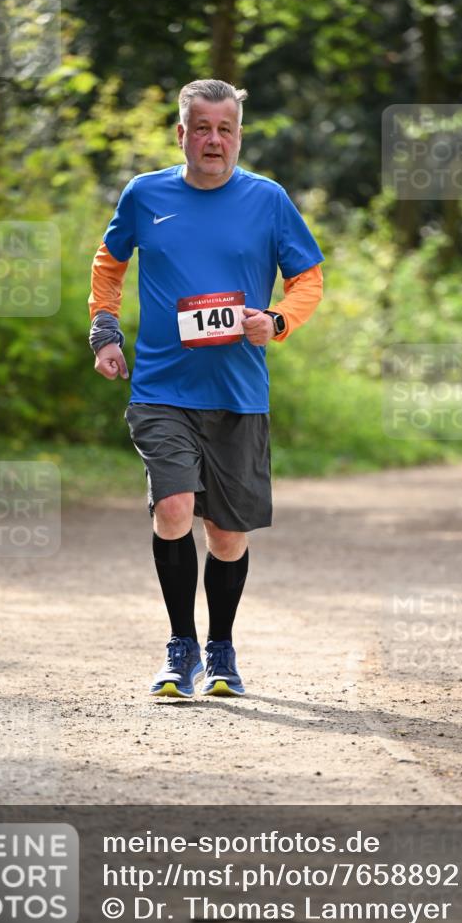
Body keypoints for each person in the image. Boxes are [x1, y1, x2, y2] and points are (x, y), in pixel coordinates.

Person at [88, 78, 324, 699]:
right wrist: (104, 330)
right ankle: (180, 647)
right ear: (181, 134)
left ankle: (220, 648)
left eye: (225, 129)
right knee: (173, 510)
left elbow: (308, 279)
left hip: (238, 392)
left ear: (238, 136)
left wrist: (276, 321)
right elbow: (109, 263)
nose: (213, 140)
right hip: (161, 388)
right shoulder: (145, 194)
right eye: (202, 129)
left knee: (226, 534)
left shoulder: (268, 200)